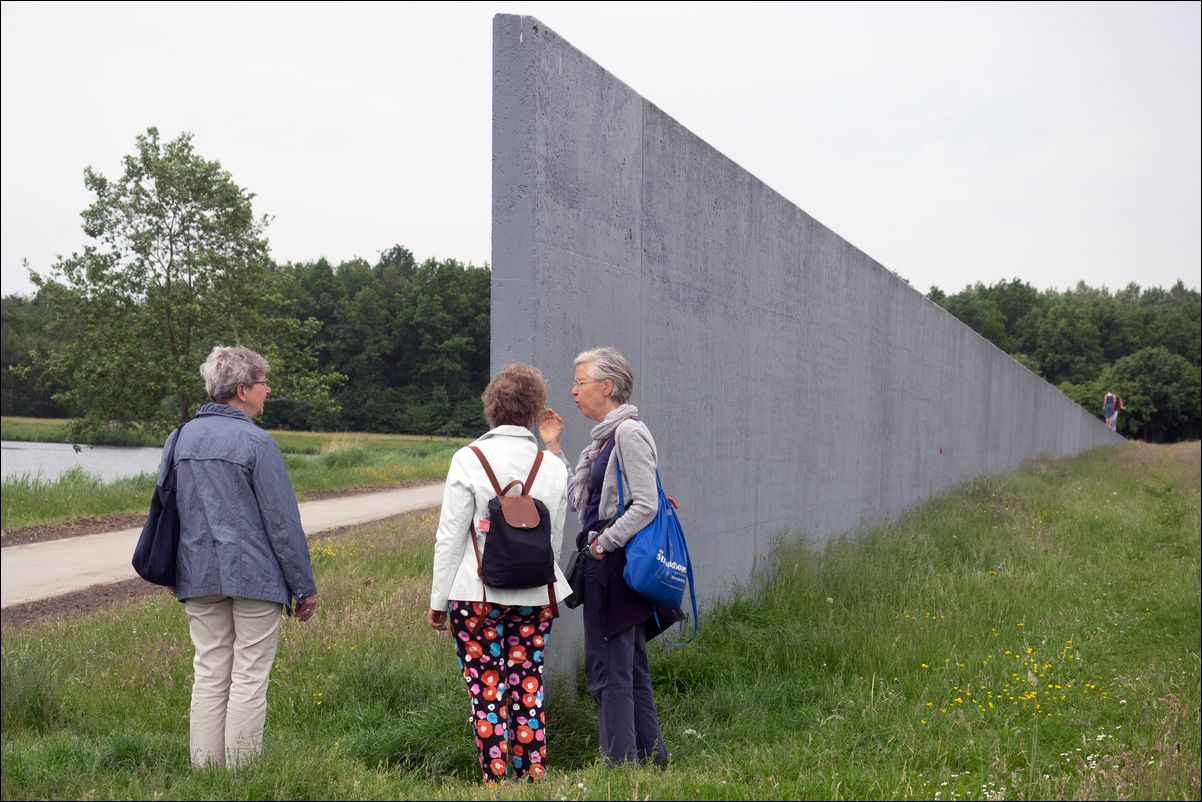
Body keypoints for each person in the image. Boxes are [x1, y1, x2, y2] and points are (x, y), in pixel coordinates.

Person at [163, 345, 318, 768]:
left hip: (197, 576)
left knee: (210, 674)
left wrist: (173, 569)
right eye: (265, 384)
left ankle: (205, 774)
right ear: (243, 389)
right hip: (256, 578)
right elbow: (282, 524)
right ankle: (241, 778)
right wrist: (303, 587)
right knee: (249, 676)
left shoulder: (179, 438)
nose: (268, 392)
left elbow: (167, 511)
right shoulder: (258, 443)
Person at [428, 363, 571, 783]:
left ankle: (495, 779)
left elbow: (450, 537)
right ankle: (534, 773)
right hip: (535, 596)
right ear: (534, 410)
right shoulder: (552, 466)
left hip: (476, 595)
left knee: (485, 687)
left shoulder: (468, 459)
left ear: (491, 406)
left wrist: (438, 601)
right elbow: (554, 540)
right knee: (528, 683)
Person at [538, 346, 675, 767]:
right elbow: (582, 499)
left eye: (581, 382)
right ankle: (651, 757)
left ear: (607, 386)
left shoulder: (629, 434)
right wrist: (556, 447)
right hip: (611, 565)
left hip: (613, 566)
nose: (574, 391)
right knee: (629, 667)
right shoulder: (602, 440)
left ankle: (619, 765)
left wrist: (603, 543)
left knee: (608, 668)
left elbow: (646, 504)